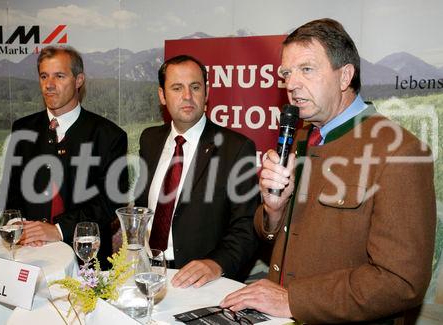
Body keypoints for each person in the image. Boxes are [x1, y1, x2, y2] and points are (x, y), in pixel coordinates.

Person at [221, 18, 436, 323]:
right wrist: (273, 210)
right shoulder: (296, 139)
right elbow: (271, 235)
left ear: (345, 75)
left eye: (306, 69)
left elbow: (402, 281)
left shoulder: (399, 151)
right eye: (286, 72)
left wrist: (293, 300)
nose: (291, 84)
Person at [134, 54, 259, 288]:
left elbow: (247, 226)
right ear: (162, 95)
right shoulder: (150, 139)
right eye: (176, 88)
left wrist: (216, 263)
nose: (187, 96)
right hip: (147, 271)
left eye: (195, 87)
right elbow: (143, 205)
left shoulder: (236, 148)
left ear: (207, 92)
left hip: (202, 282)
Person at [0, 46, 129, 269]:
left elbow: (110, 202)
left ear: (79, 80)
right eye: (43, 76)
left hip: (87, 260)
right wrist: (17, 227)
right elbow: (13, 195)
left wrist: (57, 229)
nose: (49, 85)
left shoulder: (108, 135)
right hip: (28, 255)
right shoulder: (22, 129)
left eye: (59, 76)